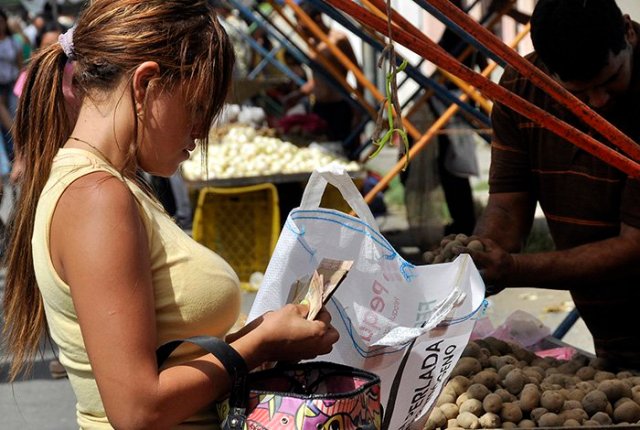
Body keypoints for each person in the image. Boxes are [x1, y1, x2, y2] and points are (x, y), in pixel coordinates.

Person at [1, 2, 339, 429]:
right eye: (197, 108)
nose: (201, 132)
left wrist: (263, 338)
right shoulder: (98, 197)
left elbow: (171, 359)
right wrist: (257, 345)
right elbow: (137, 409)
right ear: (145, 84)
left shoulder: (112, 185)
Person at [457, 0, 640, 370]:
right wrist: (482, 254)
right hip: (615, 346)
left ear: (629, 32)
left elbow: (634, 245)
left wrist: (515, 269)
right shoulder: (523, 89)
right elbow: (508, 205)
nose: (598, 103)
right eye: (579, 93)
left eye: (609, 80)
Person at [290, 1, 364, 158]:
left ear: (317, 19)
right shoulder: (312, 43)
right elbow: (318, 79)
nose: (301, 30)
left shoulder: (338, 40)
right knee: (322, 154)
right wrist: (298, 94)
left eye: (304, 26)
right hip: (319, 108)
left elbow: (358, 73)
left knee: (344, 154)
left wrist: (359, 107)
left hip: (339, 108)